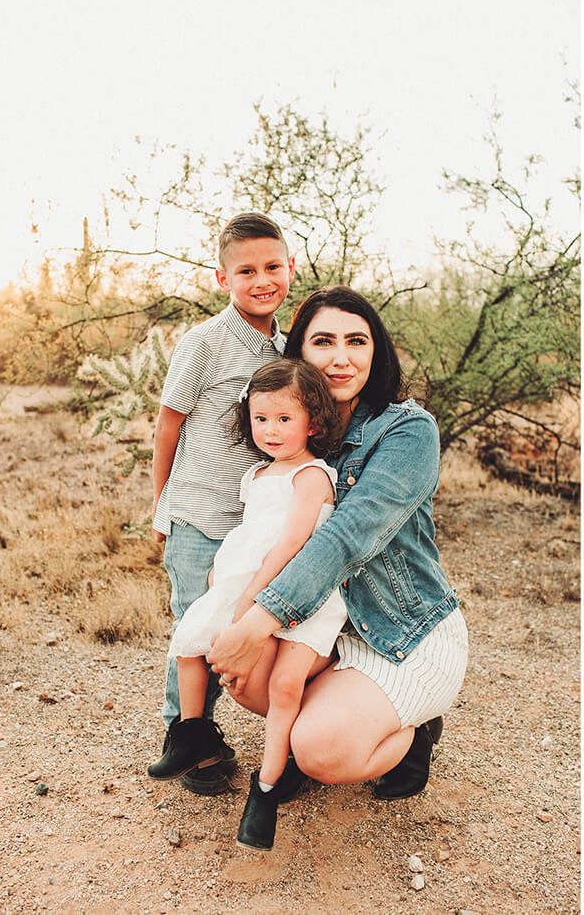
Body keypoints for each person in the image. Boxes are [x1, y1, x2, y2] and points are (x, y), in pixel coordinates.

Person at [205, 285, 469, 844]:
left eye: (357, 340)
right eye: (322, 341)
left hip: (403, 630)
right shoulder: (291, 432)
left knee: (321, 749)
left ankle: (413, 728)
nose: (340, 357)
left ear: (377, 352)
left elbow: (348, 537)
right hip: (326, 625)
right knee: (249, 682)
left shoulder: (407, 430)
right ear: (296, 353)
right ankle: (322, 724)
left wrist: (257, 619)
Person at [157, 359, 348, 849]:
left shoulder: (313, 476)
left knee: (285, 684)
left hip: (301, 591)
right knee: (189, 639)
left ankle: (265, 788)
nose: (271, 429)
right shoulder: (256, 475)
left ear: (314, 423)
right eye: (261, 418)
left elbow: (291, 542)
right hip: (243, 579)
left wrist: (252, 596)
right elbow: (249, 533)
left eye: (285, 419)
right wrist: (223, 576)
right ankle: (193, 730)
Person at [147, 212, 294, 796]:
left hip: (256, 521)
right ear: (221, 277)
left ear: (290, 268)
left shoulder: (289, 347)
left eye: (272, 267)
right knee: (195, 627)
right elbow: (168, 424)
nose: (261, 280)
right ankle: (186, 735)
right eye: (246, 270)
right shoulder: (204, 342)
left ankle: (231, 731)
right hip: (199, 512)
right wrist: (162, 506)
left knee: (240, 625)